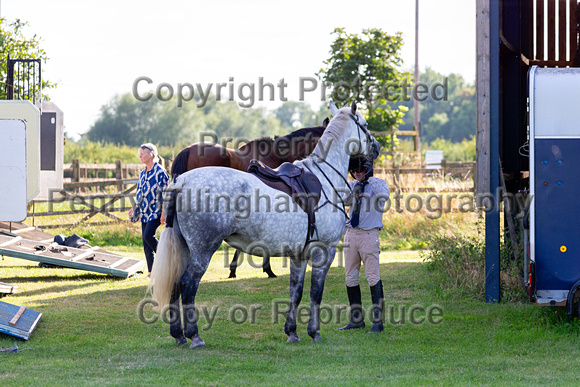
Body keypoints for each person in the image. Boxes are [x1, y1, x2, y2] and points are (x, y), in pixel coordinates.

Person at [338, 157, 390, 333]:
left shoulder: (378, 184)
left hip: (369, 235)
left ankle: (378, 322)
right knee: (350, 278)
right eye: (354, 171)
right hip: (351, 235)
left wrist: (369, 178)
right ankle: (356, 319)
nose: (357, 173)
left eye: (361, 170)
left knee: (373, 277)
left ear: (368, 169)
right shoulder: (352, 186)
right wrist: (355, 187)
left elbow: (384, 196)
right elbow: (341, 200)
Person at [128, 143, 169, 277]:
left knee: (148, 236)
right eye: (139, 153)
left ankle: (167, 260)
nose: (140, 155)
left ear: (151, 154)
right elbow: (139, 193)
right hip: (144, 211)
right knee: (145, 242)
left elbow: (165, 194)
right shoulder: (142, 173)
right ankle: (152, 271)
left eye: (142, 153)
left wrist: (164, 213)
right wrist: (134, 208)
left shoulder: (160, 172)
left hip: (156, 211)